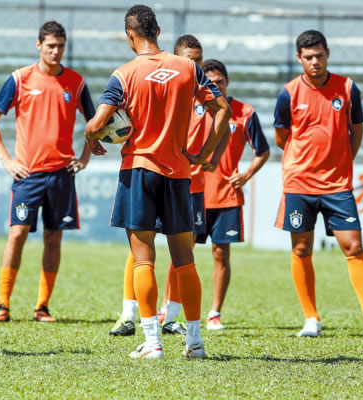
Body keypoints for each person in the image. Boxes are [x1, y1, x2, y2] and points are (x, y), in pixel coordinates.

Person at [86, 5, 231, 359]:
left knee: (143, 259)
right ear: (159, 30)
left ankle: (152, 343)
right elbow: (223, 109)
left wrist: (91, 138)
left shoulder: (123, 74)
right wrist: (204, 155)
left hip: (139, 170)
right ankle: (195, 343)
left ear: (130, 34)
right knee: (185, 260)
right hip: (179, 174)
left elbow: (97, 121)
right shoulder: (188, 68)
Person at [0, 21, 95, 323]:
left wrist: (84, 156)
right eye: (50, 46)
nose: (56, 51)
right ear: (38, 46)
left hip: (61, 174)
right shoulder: (20, 79)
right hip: (28, 175)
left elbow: (95, 123)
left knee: (53, 239)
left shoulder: (76, 82)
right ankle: (2, 304)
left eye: (60, 46)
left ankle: (42, 306)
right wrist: (6, 159)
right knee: (17, 234)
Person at [274, 30, 363, 338]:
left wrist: (345, 158)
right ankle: (311, 318)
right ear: (299, 59)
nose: (315, 61)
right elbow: (282, 137)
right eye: (308, 57)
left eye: (319, 55)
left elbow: (355, 129)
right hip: (299, 184)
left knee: (354, 246)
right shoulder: (288, 93)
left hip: (337, 184)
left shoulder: (347, 88)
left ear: (328, 53)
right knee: (302, 249)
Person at [196, 59, 270, 330]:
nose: (215, 87)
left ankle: (215, 312)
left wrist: (246, 174)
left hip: (226, 195)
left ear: (227, 82)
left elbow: (262, 151)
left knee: (220, 254)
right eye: (210, 82)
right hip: (194, 192)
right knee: (183, 253)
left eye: (220, 82)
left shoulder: (244, 113)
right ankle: (170, 308)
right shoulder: (193, 108)